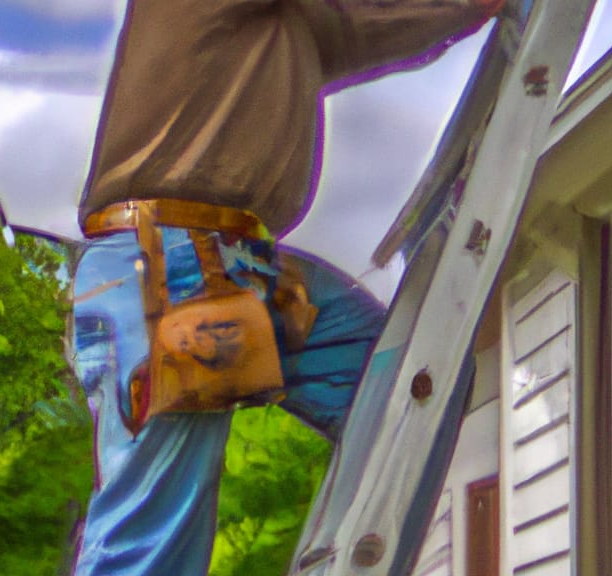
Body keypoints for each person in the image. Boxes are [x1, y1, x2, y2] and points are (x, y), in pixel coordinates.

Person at [69, 0, 502, 573]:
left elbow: (362, 26)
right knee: (153, 538)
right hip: (169, 262)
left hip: (239, 266)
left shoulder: (285, 24)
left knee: (410, 376)